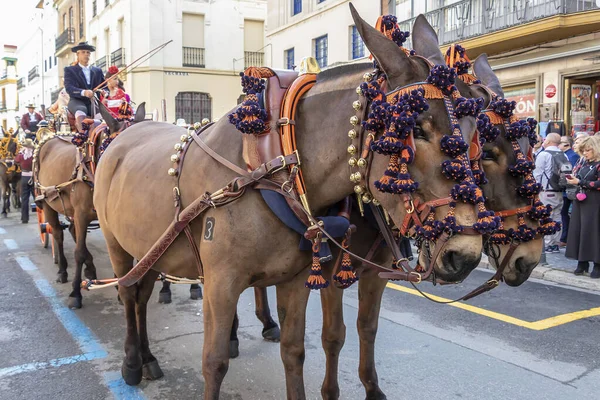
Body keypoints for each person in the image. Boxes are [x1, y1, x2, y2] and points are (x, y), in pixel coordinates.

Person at [566, 136, 600, 277]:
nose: (585, 153)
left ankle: (597, 264)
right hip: (580, 201)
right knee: (578, 231)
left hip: (596, 202)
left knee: (594, 232)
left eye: (588, 150)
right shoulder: (582, 163)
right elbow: (576, 176)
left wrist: (580, 182)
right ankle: (582, 262)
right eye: (583, 151)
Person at [533, 133, 568, 253]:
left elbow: (537, 174)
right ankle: (555, 244)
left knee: (546, 217)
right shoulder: (563, 154)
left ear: (548, 141)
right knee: (557, 218)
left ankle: (547, 244)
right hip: (559, 191)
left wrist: (534, 190)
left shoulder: (544, 154)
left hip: (546, 191)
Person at [63, 41, 104, 132]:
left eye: (88, 52)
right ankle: (83, 137)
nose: (86, 54)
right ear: (77, 54)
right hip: (77, 101)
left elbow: (105, 87)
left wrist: (104, 92)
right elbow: (69, 88)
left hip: (94, 102)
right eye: (83, 52)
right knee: (80, 111)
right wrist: (84, 92)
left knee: (103, 115)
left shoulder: (98, 71)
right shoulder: (70, 70)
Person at [558, 136, 580, 246]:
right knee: (564, 213)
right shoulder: (565, 154)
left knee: (567, 213)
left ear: (567, 144)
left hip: (571, 189)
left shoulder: (572, 155)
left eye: (560, 143)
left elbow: (570, 171)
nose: (558, 144)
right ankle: (565, 237)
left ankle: (566, 238)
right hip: (568, 188)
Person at [14, 139, 35, 224]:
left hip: (24, 178)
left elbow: (16, 161)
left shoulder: (21, 155)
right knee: (36, 198)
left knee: (24, 199)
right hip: (33, 178)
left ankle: (24, 218)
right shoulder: (34, 155)